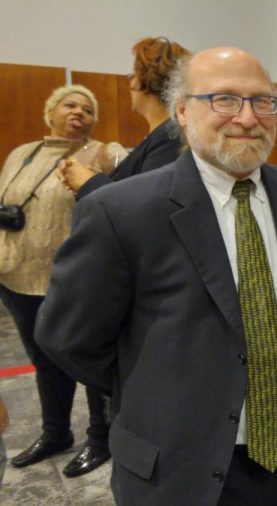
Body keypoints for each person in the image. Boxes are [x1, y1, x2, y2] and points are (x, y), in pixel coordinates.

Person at [35, 47, 277, 505]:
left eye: (262, 101)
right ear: (181, 110)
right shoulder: (121, 212)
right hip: (174, 466)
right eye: (224, 100)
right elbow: (67, 337)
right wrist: (157, 383)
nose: (247, 117)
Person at [0, 84, 126, 477]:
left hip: (74, 282)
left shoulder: (103, 153)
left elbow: (120, 201)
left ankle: (100, 439)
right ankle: (55, 432)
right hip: (18, 276)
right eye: (70, 105)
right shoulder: (23, 153)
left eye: (87, 109)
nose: (78, 112)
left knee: (87, 364)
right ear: (49, 111)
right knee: (44, 360)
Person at [58, 36, 190, 198]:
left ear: (142, 81)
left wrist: (88, 181)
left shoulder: (170, 136)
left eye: (133, 74)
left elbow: (145, 202)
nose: (130, 82)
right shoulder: (162, 136)